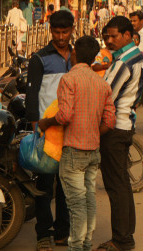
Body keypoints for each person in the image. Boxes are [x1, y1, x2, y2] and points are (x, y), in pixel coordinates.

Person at [37, 37, 115, 251]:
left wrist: (46, 122)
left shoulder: (69, 80)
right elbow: (110, 121)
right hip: (93, 149)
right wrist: (91, 133)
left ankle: (78, 247)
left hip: (73, 151)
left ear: (75, 55)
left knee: (76, 204)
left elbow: (64, 116)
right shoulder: (102, 83)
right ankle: (86, 243)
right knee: (88, 198)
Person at [25, 10, 75, 250]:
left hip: (71, 130)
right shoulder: (39, 58)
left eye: (65, 32)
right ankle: (43, 233)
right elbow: (31, 96)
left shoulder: (76, 57)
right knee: (44, 185)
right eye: (57, 32)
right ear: (50, 31)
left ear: (72, 30)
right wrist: (36, 127)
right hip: (47, 131)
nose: (61, 36)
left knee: (66, 184)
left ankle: (62, 231)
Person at [98, 16, 143, 251]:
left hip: (115, 128)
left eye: (113, 36)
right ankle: (125, 236)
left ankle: (122, 239)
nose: (109, 40)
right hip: (125, 126)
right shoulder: (135, 56)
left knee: (116, 186)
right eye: (106, 36)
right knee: (122, 184)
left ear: (127, 35)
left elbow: (106, 97)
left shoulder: (123, 62)